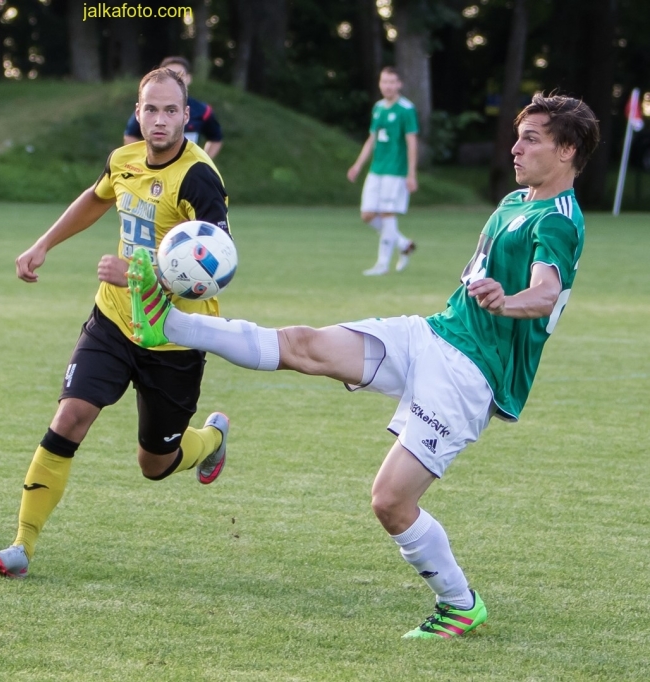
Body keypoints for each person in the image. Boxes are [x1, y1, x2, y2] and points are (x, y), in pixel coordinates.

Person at [127, 93, 599, 638]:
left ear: (566, 150)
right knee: (306, 346)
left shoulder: (559, 220)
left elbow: (545, 293)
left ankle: (460, 603)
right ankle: (171, 326)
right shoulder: (516, 200)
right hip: (435, 333)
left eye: (531, 139)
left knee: (391, 502)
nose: (514, 147)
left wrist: (506, 301)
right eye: (518, 136)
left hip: (473, 374)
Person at [0, 67, 232, 579]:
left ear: (187, 116)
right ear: (137, 113)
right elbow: (96, 199)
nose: (159, 120)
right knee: (70, 416)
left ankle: (210, 441)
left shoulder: (200, 177)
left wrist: (139, 271)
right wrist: (42, 244)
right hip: (113, 322)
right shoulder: (124, 159)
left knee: (154, 465)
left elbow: (218, 267)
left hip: (174, 338)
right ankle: (20, 546)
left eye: (169, 111)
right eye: (150, 110)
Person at [347, 66, 418, 276]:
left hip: (395, 171)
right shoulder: (378, 107)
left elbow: (411, 141)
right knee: (367, 214)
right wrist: (358, 165)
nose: (387, 86)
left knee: (387, 214)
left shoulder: (406, 109)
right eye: (384, 81)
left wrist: (411, 173)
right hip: (376, 169)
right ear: (380, 83)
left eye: (391, 82)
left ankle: (382, 264)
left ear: (399, 84)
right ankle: (404, 244)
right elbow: (372, 138)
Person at [123, 56, 223, 159]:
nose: (160, 121)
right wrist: (142, 160)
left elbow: (215, 138)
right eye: (169, 74)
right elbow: (130, 134)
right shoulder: (147, 109)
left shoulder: (203, 110)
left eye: (179, 75)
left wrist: (203, 161)